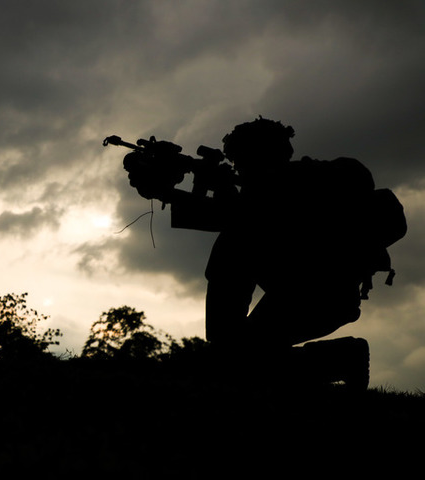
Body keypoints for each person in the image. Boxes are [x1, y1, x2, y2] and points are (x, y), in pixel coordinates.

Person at [123, 117, 405, 389]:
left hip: (320, 297)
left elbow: (242, 220)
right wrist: (171, 192)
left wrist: (197, 189)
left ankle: (340, 359)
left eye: (240, 161)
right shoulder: (270, 192)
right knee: (235, 360)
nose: (238, 169)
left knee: (235, 360)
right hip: (304, 295)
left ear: (261, 156)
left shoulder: (302, 184)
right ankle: (341, 358)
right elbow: (229, 217)